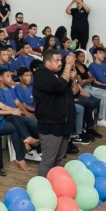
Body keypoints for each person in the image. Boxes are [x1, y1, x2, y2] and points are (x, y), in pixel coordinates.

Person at [33, 49, 78, 177]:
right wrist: (68, 65)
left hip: (64, 122)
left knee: (58, 159)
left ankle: (54, 183)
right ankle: (42, 186)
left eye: (60, 60)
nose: (60, 63)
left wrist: (74, 79)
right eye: (57, 61)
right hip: (50, 124)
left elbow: (74, 92)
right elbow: (58, 87)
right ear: (47, 62)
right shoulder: (41, 74)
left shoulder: (59, 74)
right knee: (48, 160)